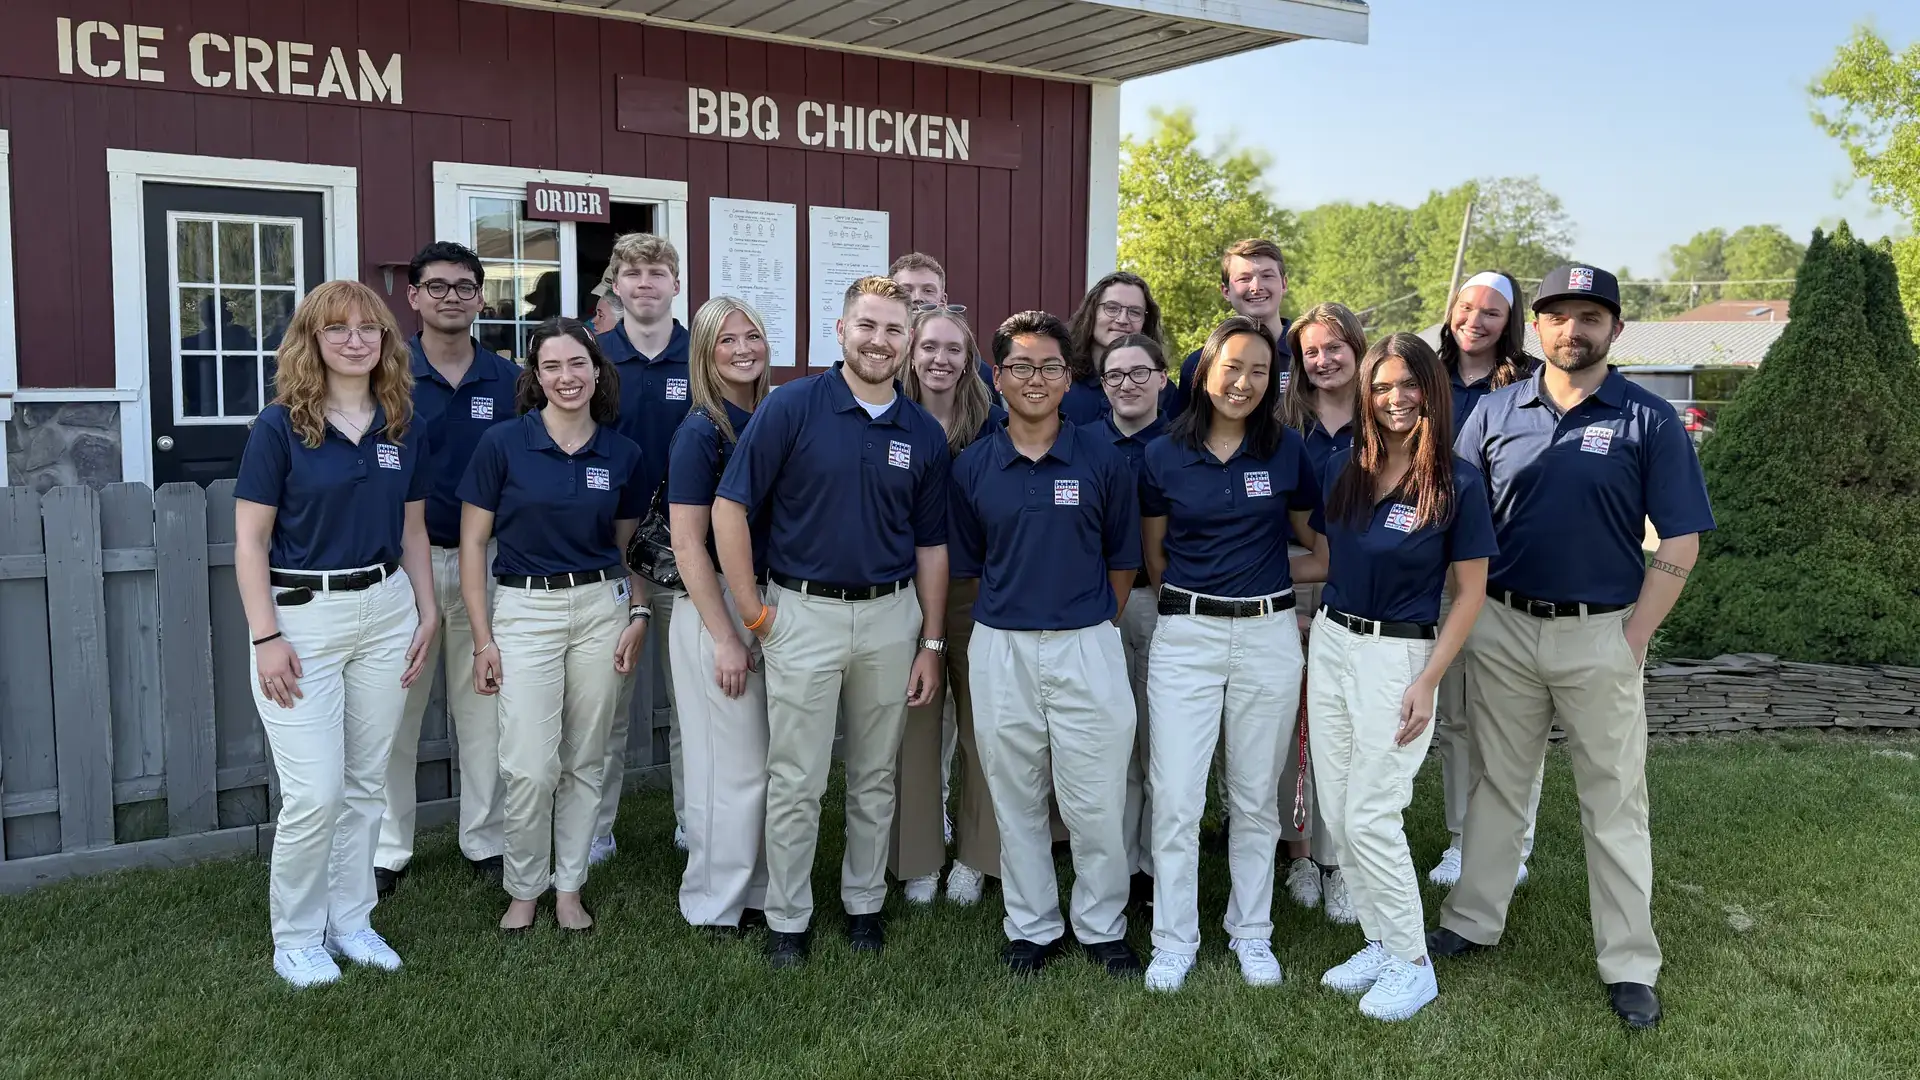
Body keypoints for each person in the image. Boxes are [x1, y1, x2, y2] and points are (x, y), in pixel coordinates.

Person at [1429, 264, 1715, 1031]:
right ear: (1540, 327)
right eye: (1558, 316)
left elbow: (1681, 539)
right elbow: (1459, 522)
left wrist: (1634, 638)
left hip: (1602, 633)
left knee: (1614, 801)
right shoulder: (1491, 413)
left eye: (1590, 317)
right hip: (1504, 627)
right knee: (1496, 783)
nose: (1572, 330)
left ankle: (1629, 963)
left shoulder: (1648, 419)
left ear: (1615, 330)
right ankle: (1472, 919)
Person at [713, 276, 949, 969]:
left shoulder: (923, 433)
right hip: (802, 614)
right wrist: (754, 612)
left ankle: (863, 903)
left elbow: (932, 544)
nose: (880, 341)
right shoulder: (792, 407)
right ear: (840, 330)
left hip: (890, 615)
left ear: (907, 343)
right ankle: (788, 916)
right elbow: (731, 508)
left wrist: (930, 640)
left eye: (893, 330)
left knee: (876, 773)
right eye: (867, 326)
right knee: (798, 777)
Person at [234, 279, 439, 987]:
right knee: (315, 790)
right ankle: (295, 935)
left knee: (363, 783)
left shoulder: (400, 421)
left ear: (386, 340)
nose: (355, 339)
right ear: (311, 341)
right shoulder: (279, 426)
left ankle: (350, 920)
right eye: (337, 328)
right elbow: (250, 542)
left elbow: (414, 531)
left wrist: (428, 610)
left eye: (369, 328)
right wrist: (267, 637)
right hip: (303, 620)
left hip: (385, 613)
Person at [1308, 333, 1496, 1022]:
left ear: (1431, 390)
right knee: (1338, 812)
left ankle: (1415, 965)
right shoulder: (1347, 469)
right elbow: (1328, 556)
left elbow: (1470, 593)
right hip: (1332, 643)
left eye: (1407, 385)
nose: (1394, 399)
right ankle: (1381, 941)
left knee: (1371, 813)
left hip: (1401, 658)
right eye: (1381, 387)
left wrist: (1428, 681)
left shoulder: (1456, 481)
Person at [950, 310, 1142, 977]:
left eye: (1052, 366)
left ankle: (1101, 924)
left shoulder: (1103, 459)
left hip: (1088, 642)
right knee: (1016, 793)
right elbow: (970, 562)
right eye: (1022, 366)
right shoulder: (975, 465)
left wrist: (1090, 623)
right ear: (997, 377)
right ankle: (1031, 926)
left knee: (1095, 798)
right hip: (1001, 646)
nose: (1037, 378)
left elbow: (1123, 559)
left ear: (1069, 377)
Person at [1139, 316, 1322, 992]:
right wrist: (1204, 592)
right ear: (1205, 371)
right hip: (1186, 638)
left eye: (1257, 370)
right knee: (1177, 794)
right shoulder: (1162, 455)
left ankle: (1251, 934)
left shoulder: (1286, 453)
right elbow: (1156, 556)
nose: (1242, 381)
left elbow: (1319, 549)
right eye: (1231, 367)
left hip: (1268, 638)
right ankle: (1174, 940)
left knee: (1253, 797)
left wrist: (1265, 576)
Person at [458, 318, 652, 934]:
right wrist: (483, 638)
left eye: (577, 364)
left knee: (586, 757)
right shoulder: (503, 445)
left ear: (598, 372)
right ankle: (524, 887)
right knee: (529, 764)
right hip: (524, 611)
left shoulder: (623, 453)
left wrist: (639, 612)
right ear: (534, 377)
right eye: (551, 367)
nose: (566, 378)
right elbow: (472, 548)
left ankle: (569, 886)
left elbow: (631, 549)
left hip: (602, 609)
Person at [374, 242, 521, 896]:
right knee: (394, 711)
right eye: (437, 287)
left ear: (481, 296)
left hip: (485, 562)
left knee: (485, 708)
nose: (452, 297)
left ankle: (485, 839)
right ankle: (387, 850)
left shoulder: (508, 379)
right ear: (413, 296)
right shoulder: (386, 371)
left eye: (464, 287)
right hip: (407, 563)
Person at [1429, 269, 1545, 889]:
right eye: (1466, 307)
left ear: (1511, 321)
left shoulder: (1530, 382)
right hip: (1439, 563)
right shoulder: (1429, 376)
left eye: (1492, 312)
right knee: (1453, 718)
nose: (1475, 320)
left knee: (1506, 720)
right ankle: (1459, 837)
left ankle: (1510, 843)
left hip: (1506, 566)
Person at [667, 297, 775, 931]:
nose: (742, 348)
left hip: (766, 604)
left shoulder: (770, 414)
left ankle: (756, 890)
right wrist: (726, 638)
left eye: (752, 336)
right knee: (725, 767)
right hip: (715, 614)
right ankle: (713, 902)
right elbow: (686, 543)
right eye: (726, 339)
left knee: (761, 763)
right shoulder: (701, 431)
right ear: (705, 352)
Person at [892, 305, 1004, 907]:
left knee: (980, 732)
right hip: (902, 595)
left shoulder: (996, 425)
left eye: (953, 350)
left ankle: (977, 855)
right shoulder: (892, 419)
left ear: (970, 361)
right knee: (914, 729)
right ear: (912, 353)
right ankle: (917, 856)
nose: (940, 359)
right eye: (929, 347)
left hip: (978, 593)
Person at [594, 232, 693, 862]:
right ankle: (596, 827)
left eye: (657, 272)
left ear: (676, 284)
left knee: (694, 705)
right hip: (613, 554)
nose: (645, 283)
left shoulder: (704, 357)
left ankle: (694, 819)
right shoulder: (592, 358)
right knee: (608, 705)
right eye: (632, 273)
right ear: (617, 286)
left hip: (691, 558)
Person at [1275, 302, 1368, 923]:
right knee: (1288, 727)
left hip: (1364, 587)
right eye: (1311, 351)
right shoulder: (1281, 424)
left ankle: (1339, 861)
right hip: (1291, 577)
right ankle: (1300, 853)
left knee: (1344, 730)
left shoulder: (1383, 418)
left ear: (1357, 350)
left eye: (1335, 347)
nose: (1324, 360)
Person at [1098, 332, 1169, 908]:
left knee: (1156, 743)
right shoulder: (1083, 442)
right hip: (1094, 611)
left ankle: (1152, 869)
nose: (1128, 384)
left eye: (1139, 372)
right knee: (1109, 745)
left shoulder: (1179, 444)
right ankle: (1116, 869)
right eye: (1115, 375)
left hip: (1157, 604)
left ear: (1163, 378)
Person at [1163, 239, 1292, 419]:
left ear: (1284, 284)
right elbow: (1181, 435)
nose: (1256, 287)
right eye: (1244, 278)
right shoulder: (1198, 364)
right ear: (1226, 291)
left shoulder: (1310, 355)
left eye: (1267, 276)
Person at [890, 251, 998, 400]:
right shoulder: (879, 360)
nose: (917, 298)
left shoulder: (976, 371)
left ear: (943, 300)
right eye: (906, 290)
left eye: (928, 290)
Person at [1064, 272, 1165, 426]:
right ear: (1091, 313)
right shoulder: (1060, 379)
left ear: (1145, 322)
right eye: (1112, 308)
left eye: (1134, 312)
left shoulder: (1161, 387)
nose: (1122, 320)